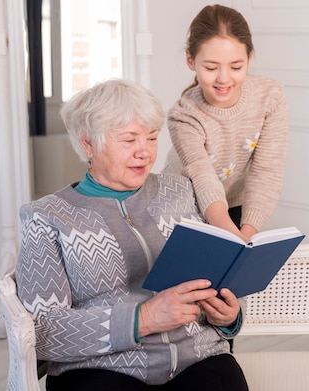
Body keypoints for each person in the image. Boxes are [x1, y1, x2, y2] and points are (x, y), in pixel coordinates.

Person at [15, 79, 249, 391]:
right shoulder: (47, 217)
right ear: (89, 144)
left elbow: (216, 280)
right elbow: (42, 334)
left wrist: (229, 315)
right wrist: (142, 319)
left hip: (198, 357)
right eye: (129, 140)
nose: (144, 152)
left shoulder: (180, 192)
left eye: (152, 138)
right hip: (101, 369)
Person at [164, 4, 288, 243]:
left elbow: (266, 172)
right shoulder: (183, 115)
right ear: (191, 60)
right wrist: (237, 241)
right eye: (211, 67)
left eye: (236, 66)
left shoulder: (270, 96)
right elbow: (203, 180)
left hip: (232, 205)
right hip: (182, 210)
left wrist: (246, 238)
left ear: (250, 58)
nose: (223, 78)